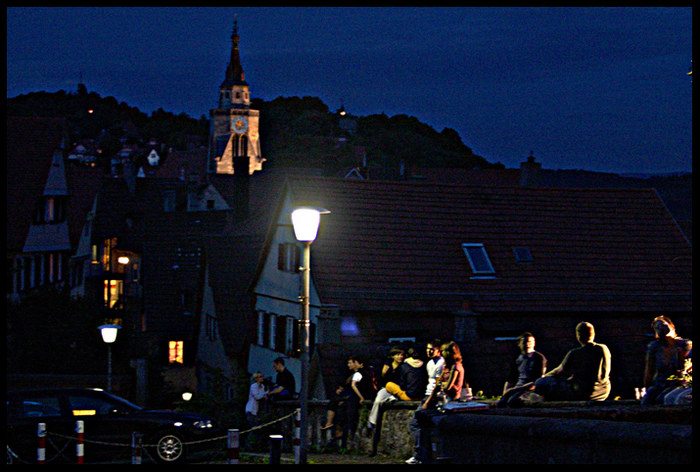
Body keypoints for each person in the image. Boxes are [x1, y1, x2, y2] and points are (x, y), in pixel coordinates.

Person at [406, 341, 464, 465]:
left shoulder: (453, 366)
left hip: (445, 400)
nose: (429, 351)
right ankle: (423, 454)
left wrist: (439, 387)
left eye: (443, 351)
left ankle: (424, 455)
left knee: (426, 424)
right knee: (420, 424)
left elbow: (447, 387)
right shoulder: (439, 365)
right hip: (434, 396)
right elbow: (439, 383)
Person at [641, 316, 692, 405]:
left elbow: (685, 366)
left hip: (677, 383)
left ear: (672, 327)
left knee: (664, 399)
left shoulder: (684, 345)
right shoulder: (655, 346)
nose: (661, 328)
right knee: (647, 400)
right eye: (657, 327)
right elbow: (649, 369)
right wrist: (647, 386)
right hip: (660, 382)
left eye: (663, 325)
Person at [322, 355, 369, 448]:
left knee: (337, 404)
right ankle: (334, 427)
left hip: (352, 397)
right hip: (349, 397)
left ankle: (330, 423)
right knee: (338, 406)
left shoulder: (359, 374)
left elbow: (353, 386)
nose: (349, 365)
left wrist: (361, 397)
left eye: (351, 363)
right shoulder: (350, 374)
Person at [497, 332, 547, 407]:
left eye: (529, 342)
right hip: (518, 387)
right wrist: (506, 392)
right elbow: (512, 377)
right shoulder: (517, 358)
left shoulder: (539, 358)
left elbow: (537, 381)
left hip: (530, 389)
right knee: (500, 403)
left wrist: (515, 390)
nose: (527, 345)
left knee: (513, 401)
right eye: (524, 342)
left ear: (534, 343)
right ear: (519, 344)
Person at [367, 346, 405, 429]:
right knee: (378, 400)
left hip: (397, 389)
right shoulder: (387, 365)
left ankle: (391, 398)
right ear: (393, 356)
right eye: (398, 355)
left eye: (402, 355)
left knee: (393, 399)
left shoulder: (403, 367)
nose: (400, 357)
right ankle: (372, 421)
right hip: (386, 388)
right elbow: (381, 379)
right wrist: (383, 373)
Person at [244, 372, 267, 449]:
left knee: (257, 428)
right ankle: (248, 445)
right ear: (256, 378)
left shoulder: (262, 386)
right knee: (254, 428)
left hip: (257, 410)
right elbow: (257, 396)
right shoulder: (253, 386)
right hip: (251, 410)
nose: (262, 378)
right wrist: (265, 394)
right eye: (260, 377)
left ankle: (255, 445)